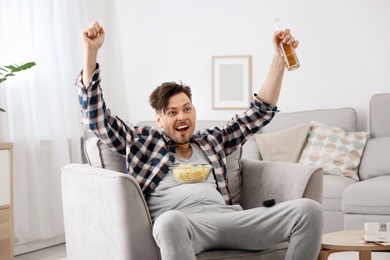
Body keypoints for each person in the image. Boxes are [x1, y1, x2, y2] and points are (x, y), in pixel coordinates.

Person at [78, 21, 324, 260]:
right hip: (186, 225)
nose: (182, 116)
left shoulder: (211, 141)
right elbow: (96, 120)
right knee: (167, 222)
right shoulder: (142, 142)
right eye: (172, 112)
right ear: (159, 120)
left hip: (231, 219)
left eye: (187, 109)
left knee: (309, 210)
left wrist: (279, 57)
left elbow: (259, 112)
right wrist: (91, 52)